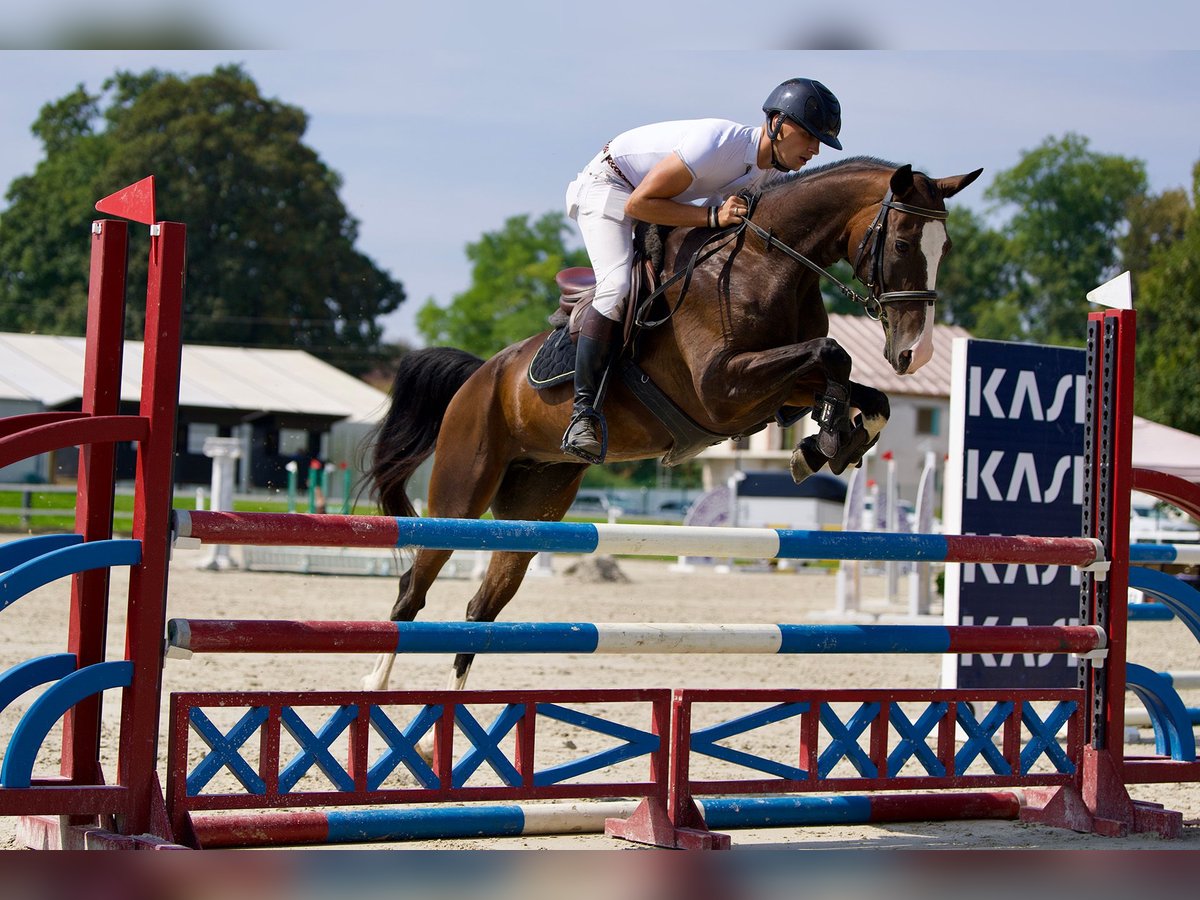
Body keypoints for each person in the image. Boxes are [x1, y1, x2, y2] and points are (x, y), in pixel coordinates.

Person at [560, 77, 843, 464]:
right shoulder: (719, 142)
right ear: (776, 124)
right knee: (617, 285)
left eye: (820, 142)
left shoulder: (771, 177)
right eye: (809, 135)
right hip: (612, 187)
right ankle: (584, 413)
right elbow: (639, 205)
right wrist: (712, 215)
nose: (814, 149)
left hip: (664, 199)